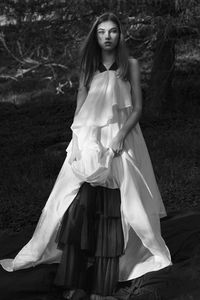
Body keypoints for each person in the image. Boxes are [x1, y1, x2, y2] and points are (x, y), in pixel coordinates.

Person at [0, 12, 172, 300]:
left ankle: (108, 279)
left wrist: (119, 138)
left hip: (121, 137)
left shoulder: (130, 65)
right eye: (102, 31)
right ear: (95, 35)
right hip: (89, 136)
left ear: (120, 34)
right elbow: (80, 107)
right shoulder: (88, 66)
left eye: (113, 31)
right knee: (78, 200)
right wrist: (77, 141)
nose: (107, 36)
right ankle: (74, 277)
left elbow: (138, 109)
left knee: (121, 202)